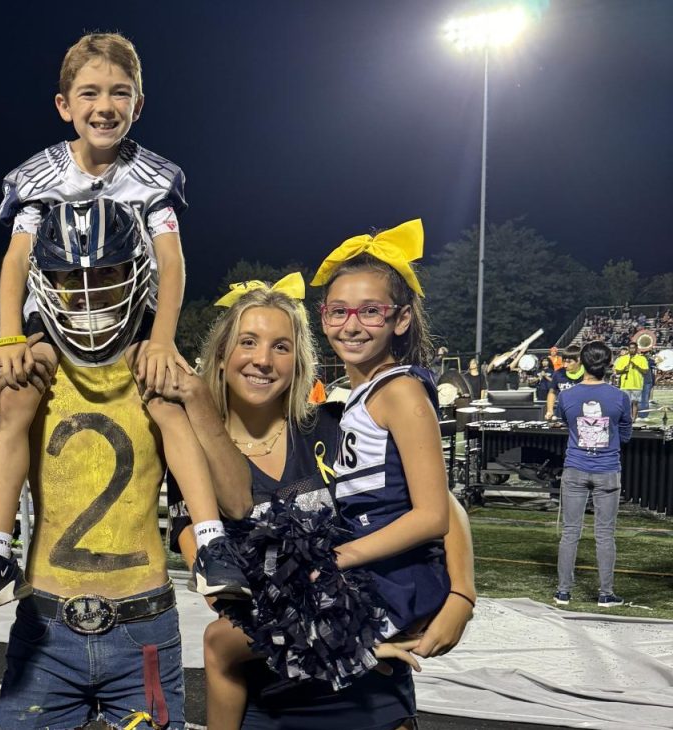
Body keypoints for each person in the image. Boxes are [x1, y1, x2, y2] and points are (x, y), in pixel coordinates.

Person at [0, 32, 248, 612]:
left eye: (120, 93)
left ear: (138, 104)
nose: (104, 105)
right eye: (89, 93)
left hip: (127, 311)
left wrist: (161, 339)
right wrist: (10, 336)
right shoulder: (37, 175)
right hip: (56, 312)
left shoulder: (155, 175)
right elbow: (16, 258)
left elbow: (171, 260)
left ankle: (212, 543)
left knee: (166, 398)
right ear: (65, 105)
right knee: (16, 393)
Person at [164, 281, 475, 730]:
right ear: (220, 355)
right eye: (247, 342)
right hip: (271, 695)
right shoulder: (189, 459)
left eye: (282, 347)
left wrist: (462, 595)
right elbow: (229, 606)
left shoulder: (330, 427)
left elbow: (442, 504)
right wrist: (355, 645)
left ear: (300, 363)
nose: (262, 360)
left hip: (371, 692)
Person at [310, 218, 451, 641]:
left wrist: (341, 556)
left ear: (401, 318)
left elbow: (433, 515)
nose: (351, 326)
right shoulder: (357, 395)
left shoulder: (401, 391)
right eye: (338, 311)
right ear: (323, 317)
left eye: (371, 311)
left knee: (246, 646)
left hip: (397, 580)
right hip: (369, 569)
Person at [553, 340, 632, 608]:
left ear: (583, 364)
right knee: (605, 533)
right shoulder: (621, 397)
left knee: (570, 531)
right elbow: (625, 434)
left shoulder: (567, 395)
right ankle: (606, 594)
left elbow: (564, 421)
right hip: (608, 470)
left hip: (575, 468)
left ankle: (563, 592)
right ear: (608, 365)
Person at [546, 344, 585, 421]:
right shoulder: (558, 373)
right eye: (564, 361)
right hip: (561, 414)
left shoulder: (588, 374)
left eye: (569, 362)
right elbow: (552, 392)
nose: (565, 365)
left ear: (579, 360)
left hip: (582, 415)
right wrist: (550, 410)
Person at [613, 341, 648, 421]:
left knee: (635, 403)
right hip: (625, 384)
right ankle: (627, 418)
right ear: (628, 349)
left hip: (637, 384)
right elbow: (617, 371)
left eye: (634, 348)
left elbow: (645, 371)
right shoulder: (622, 358)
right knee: (626, 403)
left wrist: (636, 366)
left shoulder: (642, 358)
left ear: (636, 349)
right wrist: (624, 370)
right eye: (630, 348)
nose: (632, 350)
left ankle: (633, 419)